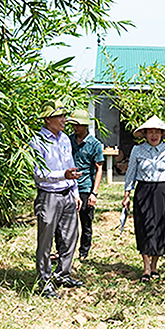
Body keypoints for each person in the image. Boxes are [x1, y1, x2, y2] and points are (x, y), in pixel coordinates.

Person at [29, 100, 84, 299]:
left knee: (70, 237)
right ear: (47, 119)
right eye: (59, 116)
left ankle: (62, 274)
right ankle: (44, 283)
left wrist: (75, 192)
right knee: (45, 241)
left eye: (64, 116)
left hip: (68, 193)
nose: (64, 120)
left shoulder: (65, 139)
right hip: (49, 195)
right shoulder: (37, 141)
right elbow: (38, 172)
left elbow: (71, 166)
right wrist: (63, 175)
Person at [121, 115, 165, 282]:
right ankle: (146, 268)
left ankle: (155, 266)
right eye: (150, 132)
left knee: (160, 229)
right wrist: (127, 195)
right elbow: (131, 173)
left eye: (157, 132)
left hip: (162, 191)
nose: (154, 135)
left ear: (163, 134)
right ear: (145, 134)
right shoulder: (137, 150)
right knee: (144, 228)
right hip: (143, 191)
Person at [64, 109, 105, 260]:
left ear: (85, 126)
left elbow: (99, 168)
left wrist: (94, 193)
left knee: (86, 223)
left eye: (78, 125)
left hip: (85, 188)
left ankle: (84, 251)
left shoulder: (94, 144)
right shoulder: (68, 140)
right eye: (73, 125)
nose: (75, 128)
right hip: (68, 187)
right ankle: (64, 251)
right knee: (66, 223)